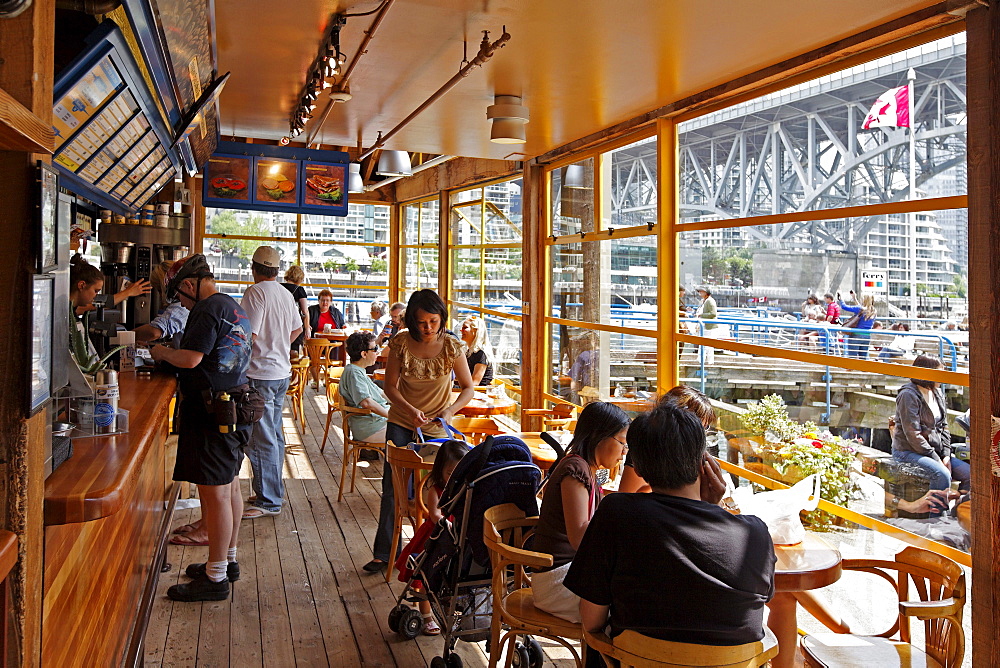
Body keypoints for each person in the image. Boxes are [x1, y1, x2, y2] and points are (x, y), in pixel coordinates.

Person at [564, 401, 775, 647]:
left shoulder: (617, 513)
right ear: (704, 463)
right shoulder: (756, 533)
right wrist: (712, 508)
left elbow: (591, 623)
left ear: (639, 468)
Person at [149, 255, 252, 601]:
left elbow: (191, 358)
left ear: (190, 285)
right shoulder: (230, 305)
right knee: (231, 489)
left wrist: (161, 352)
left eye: (179, 295)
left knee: (217, 495)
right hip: (234, 408)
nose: (180, 301)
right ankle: (227, 561)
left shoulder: (206, 310)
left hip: (213, 412)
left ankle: (216, 577)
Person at [363, 289, 475, 573]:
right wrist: (410, 411)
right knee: (394, 488)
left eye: (433, 322)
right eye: (422, 322)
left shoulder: (452, 346)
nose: (428, 328)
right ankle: (385, 552)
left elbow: (468, 387)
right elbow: (389, 387)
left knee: (442, 488)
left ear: (442, 319)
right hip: (402, 421)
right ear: (412, 321)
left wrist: (450, 411)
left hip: (437, 427)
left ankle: (440, 548)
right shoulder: (401, 343)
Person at [531, 402, 630, 623]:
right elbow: (579, 538)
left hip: (574, 572)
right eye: (622, 442)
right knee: (630, 606)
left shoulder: (586, 469)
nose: (625, 452)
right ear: (599, 436)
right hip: (558, 581)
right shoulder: (575, 471)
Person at [241, 246, 302, 519]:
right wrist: (278, 346)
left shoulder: (255, 293)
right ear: (276, 271)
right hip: (281, 373)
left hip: (260, 373)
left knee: (262, 436)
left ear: (254, 268)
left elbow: (248, 335)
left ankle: (268, 501)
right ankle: (271, 491)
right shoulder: (285, 294)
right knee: (274, 434)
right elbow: (298, 329)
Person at [393, 440, 468, 636]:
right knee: (426, 578)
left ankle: (449, 613)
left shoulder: (466, 491)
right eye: (450, 473)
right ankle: (426, 617)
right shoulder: (436, 491)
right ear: (440, 471)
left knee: (451, 578)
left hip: (456, 539)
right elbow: (434, 514)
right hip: (436, 536)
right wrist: (447, 523)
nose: (454, 478)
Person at [891, 355, 970, 492]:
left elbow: (944, 427)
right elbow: (913, 434)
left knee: (970, 474)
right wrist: (936, 459)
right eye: (939, 372)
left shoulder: (937, 392)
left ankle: (959, 508)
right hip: (908, 451)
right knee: (942, 474)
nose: (942, 376)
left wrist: (946, 455)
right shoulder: (908, 395)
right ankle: (937, 513)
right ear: (927, 372)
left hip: (936, 450)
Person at [618, 385, 716, 494]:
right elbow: (627, 494)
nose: (701, 433)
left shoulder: (694, 452)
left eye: (705, 427)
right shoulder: (647, 447)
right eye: (699, 425)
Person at [340, 331, 390, 454]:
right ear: (364, 353)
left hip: (376, 423)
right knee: (413, 433)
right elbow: (367, 403)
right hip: (370, 428)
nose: (378, 352)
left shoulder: (358, 371)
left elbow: (383, 393)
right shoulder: (354, 373)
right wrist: (393, 417)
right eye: (375, 349)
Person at [133, 260, 188, 345]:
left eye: (159, 289)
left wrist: (128, 335)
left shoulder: (181, 305)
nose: (160, 295)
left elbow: (154, 332)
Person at [838, 292, 877, 359]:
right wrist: (854, 299)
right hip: (867, 336)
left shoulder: (860, 309)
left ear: (864, 300)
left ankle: (850, 369)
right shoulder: (873, 311)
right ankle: (862, 369)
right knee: (863, 358)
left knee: (852, 357)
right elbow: (862, 309)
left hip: (856, 335)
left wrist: (841, 299)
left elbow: (844, 307)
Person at [459, 315, 494, 386]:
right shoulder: (469, 352)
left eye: (465, 327)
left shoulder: (481, 354)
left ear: (476, 331)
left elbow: (474, 383)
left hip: (479, 393)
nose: (461, 330)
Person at [281, 265, 309, 354]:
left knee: (280, 348)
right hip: (294, 324)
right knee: (293, 351)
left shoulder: (279, 287)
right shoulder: (299, 290)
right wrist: (307, 327)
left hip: (279, 322)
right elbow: (305, 311)